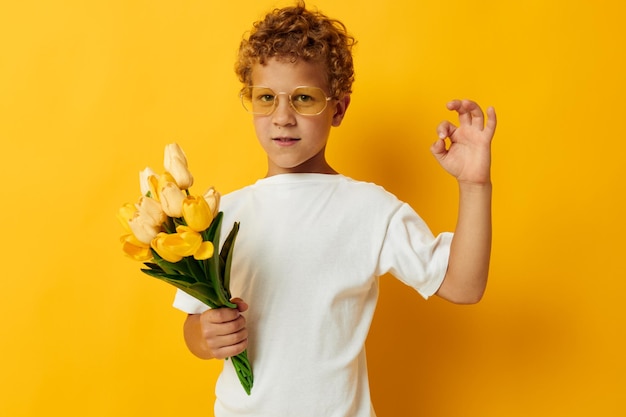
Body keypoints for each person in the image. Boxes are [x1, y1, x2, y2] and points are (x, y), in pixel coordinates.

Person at [173, 2, 496, 416]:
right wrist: (205, 336)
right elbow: (192, 327)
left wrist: (474, 186)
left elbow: (463, 286)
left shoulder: (369, 209)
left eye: (304, 99)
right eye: (266, 98)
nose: (283, 117)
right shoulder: (218, 214)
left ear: (338, 108)